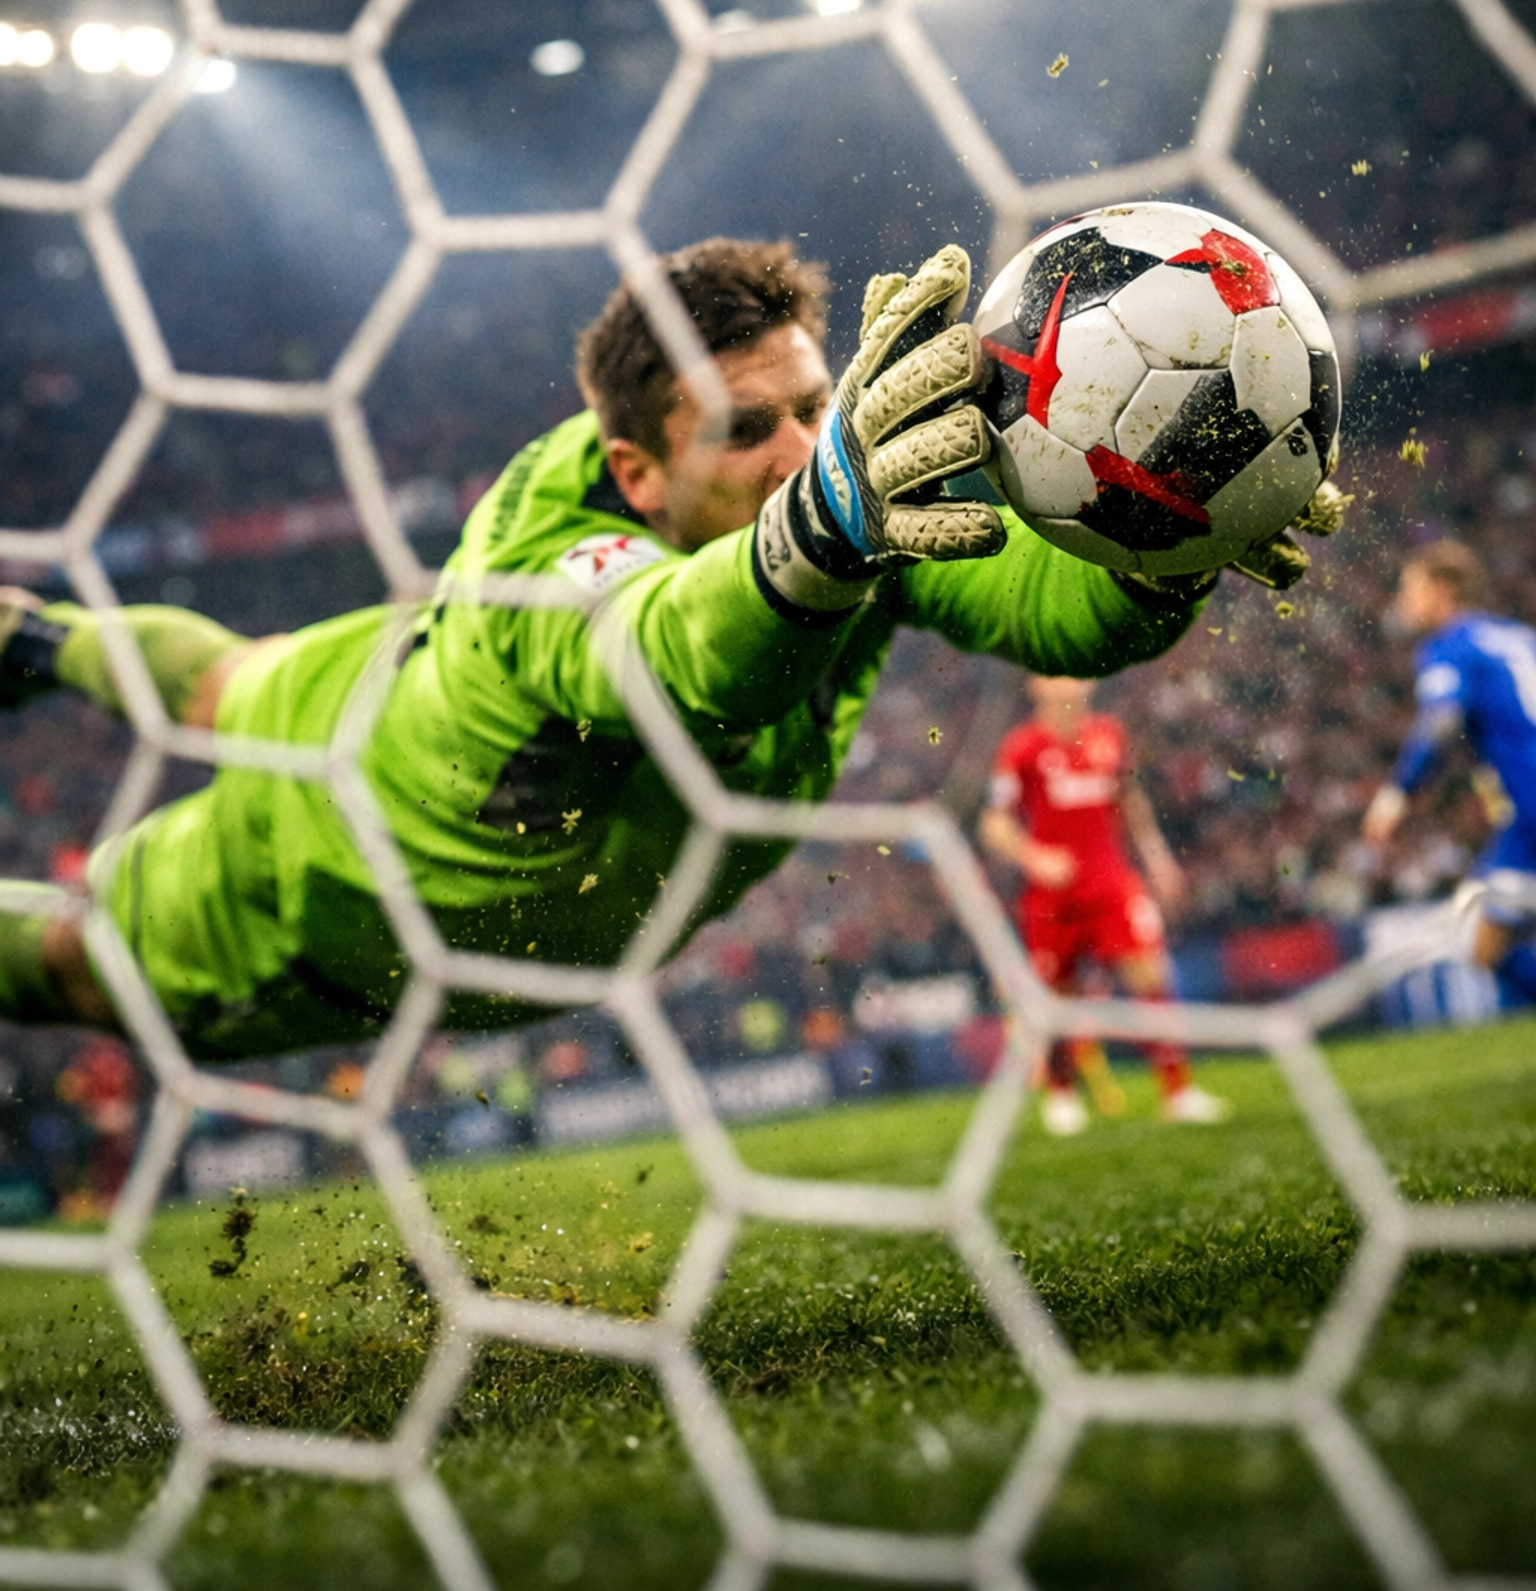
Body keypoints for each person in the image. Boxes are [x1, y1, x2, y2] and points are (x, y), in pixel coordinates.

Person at [0, 236, 1296, 1066]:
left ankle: (40, 637)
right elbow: (670, 652)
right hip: (331, 880)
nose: (802, 452)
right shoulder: (550, 560)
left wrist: (1159, 547)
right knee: (76, 961)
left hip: (365, 683)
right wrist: (817, 536)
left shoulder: (849, 494)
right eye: (747, 432)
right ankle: (48, 644)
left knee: (232, 677)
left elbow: (1041, 603)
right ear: (636, 470)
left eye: (812, 409)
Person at [982, 675, 1228, 1134]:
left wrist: (1156, 858)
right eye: (1056, 676)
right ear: (1035, 685)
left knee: (1149, 976)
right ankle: (1061, 1094)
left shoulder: (1109, 735)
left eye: (1075, 675)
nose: (1067, 685)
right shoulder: (1021, 748)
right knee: (1059, 996)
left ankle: (1178, 1092)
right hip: (1052, 896)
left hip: (1112, 885)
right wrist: (1035, 857)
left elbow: (1130, 798)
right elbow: (994, 824)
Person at [1363, 539, 1536, 1006]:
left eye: (1411, 589)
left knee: (1484, 941)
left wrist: (1395, 796)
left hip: (1532, 809)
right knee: (1485, 942)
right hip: (1524, 816)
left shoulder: (1450, 647)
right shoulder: (1515, 635)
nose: (1404, 602)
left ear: (1443, 591)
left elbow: (1439, 724)